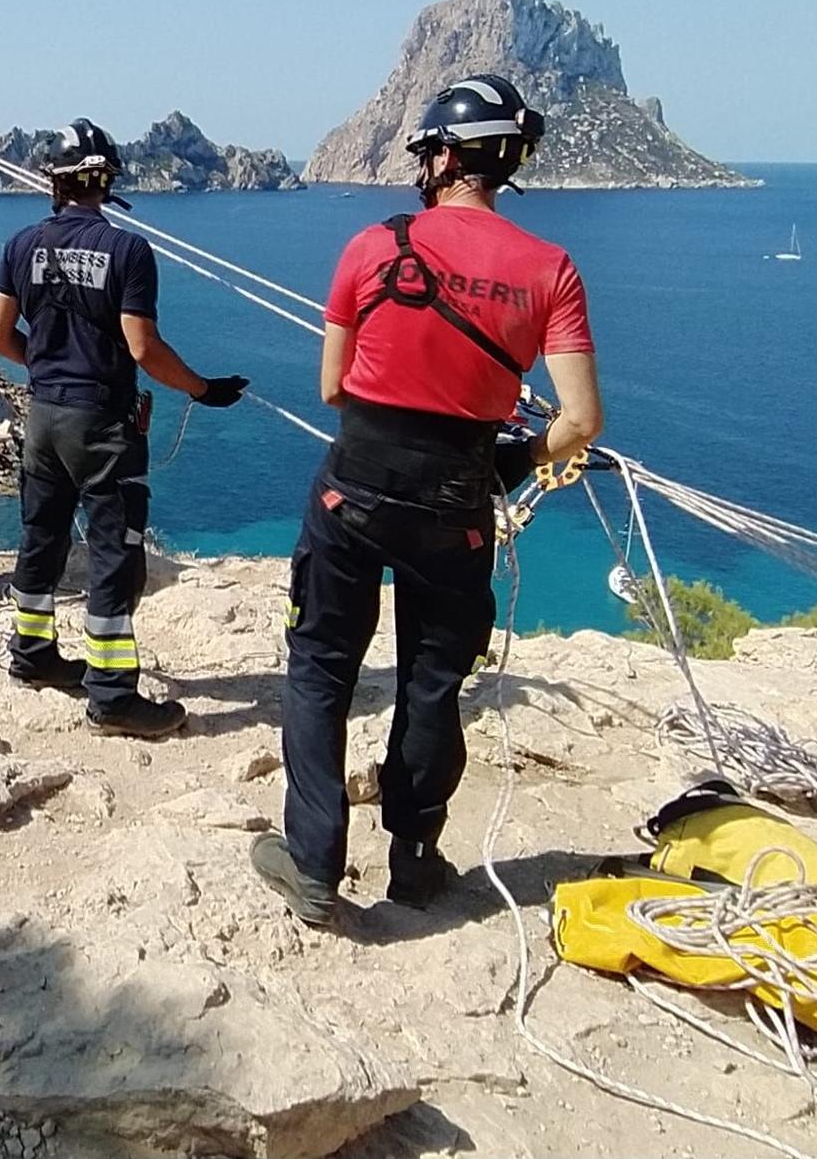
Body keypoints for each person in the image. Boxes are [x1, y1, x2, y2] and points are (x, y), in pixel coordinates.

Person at [250, 74, 603, 926]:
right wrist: (511, 461)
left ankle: (313, 863)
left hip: (356, 488)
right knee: (433, 681)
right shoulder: (551, 268)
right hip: (459, 501)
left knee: (322, 666)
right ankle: (414, 861)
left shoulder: (373, 246)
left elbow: (334, 386)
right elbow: (583, 420)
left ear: (443, 156)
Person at [0, 120, 247, 738]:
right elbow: (143, 346)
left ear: (54, 180)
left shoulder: (20, 245)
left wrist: (49, 369)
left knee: (40, 536)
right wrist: (201, 390)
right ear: (104, 181)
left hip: (43, 417)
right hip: (101, 423)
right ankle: (111, 696)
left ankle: (32, 656)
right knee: (113, 553)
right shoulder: (127, 251)